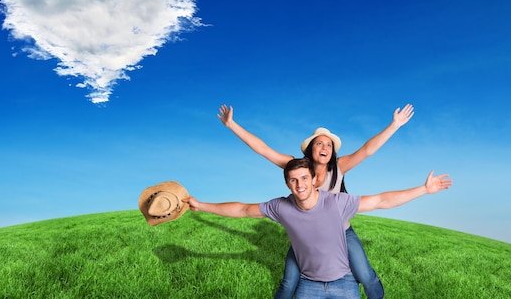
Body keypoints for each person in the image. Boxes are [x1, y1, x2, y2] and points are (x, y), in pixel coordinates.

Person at [218, 104, 414, 299]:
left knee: (365, 275)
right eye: (320, 143)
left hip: (341, 232)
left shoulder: (339, 166)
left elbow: (368, 150)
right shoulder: (297, 167)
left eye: (329, 145)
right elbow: (263, 150)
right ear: (311, 148)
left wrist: (395, 124)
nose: (325, 147)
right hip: (307, 237)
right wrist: (231, 125)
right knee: (288, 282)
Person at [184, 157, 452, 299]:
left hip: (344, 284)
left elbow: (381, 200)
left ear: (313, 180)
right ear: (287, 185)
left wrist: (423, 190)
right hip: (309, 286)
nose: (299, 185)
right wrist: (200, 205)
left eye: (304, 178)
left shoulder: (336, 203)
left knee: (366, 275)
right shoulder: (281, 207)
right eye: (293, 180)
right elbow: (242, 209)